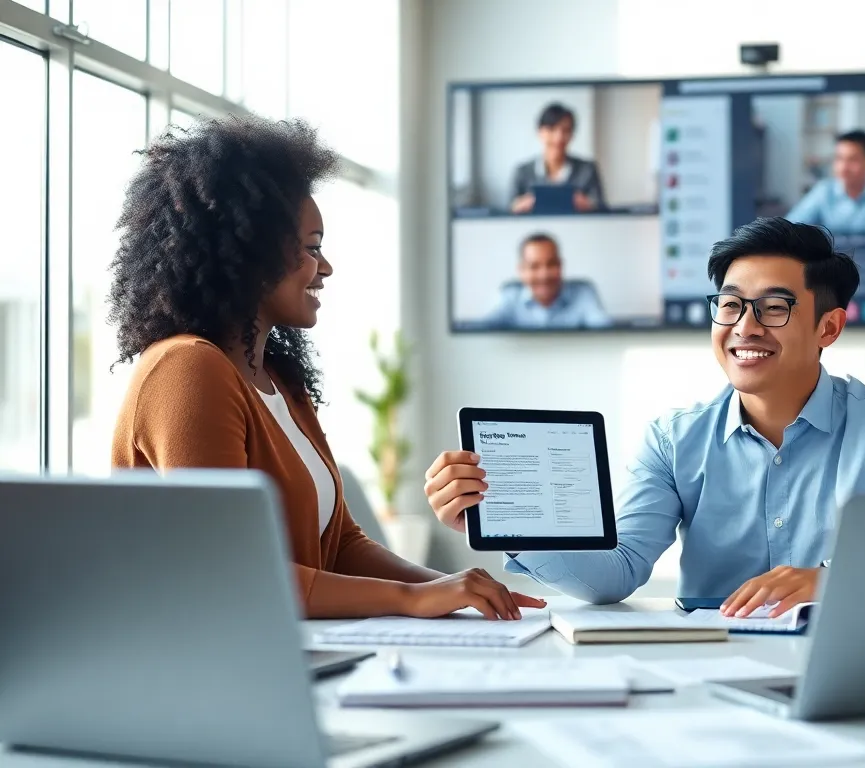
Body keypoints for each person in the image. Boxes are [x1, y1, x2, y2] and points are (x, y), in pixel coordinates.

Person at [107, 115, 544, 621]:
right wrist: (415, 600)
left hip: (294, 652)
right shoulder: (185, 369)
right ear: (250, 251)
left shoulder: (280, 383)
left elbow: (341, 547)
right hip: (206, 669)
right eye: (313, 247)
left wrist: (457, 589)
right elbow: (235, 571)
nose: (327, 266)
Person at [425, 218, 865, 617]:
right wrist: (511, 523)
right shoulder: (673, 439)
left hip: (856, 655)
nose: (745, 327)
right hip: (709, 665)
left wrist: (833, 581)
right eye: (730, 305)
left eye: (774, 308)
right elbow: (617, 572)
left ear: (828, 328)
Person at [785, 130, 865, 234]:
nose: (843, 167)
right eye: (839, 159)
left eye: (853, 160)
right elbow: (788, 229)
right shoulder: (824, 190)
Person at [483, 233, 612, 330]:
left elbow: (607, 332)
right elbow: (479, 332)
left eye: (551, 264)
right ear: (521, 271)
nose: (544, 275)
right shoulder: (509, 296)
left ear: (561, 266)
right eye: (534, 266)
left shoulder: (584, 293)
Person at [510, 102, 605, 214]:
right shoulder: (523, 172)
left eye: (565, 130)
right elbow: (510, 210)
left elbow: (601, 210)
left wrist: (585, 203)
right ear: (540, 132)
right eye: (552, 129)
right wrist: (524, 204)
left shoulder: (587, 169)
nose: (558, 137)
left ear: (572, 134)